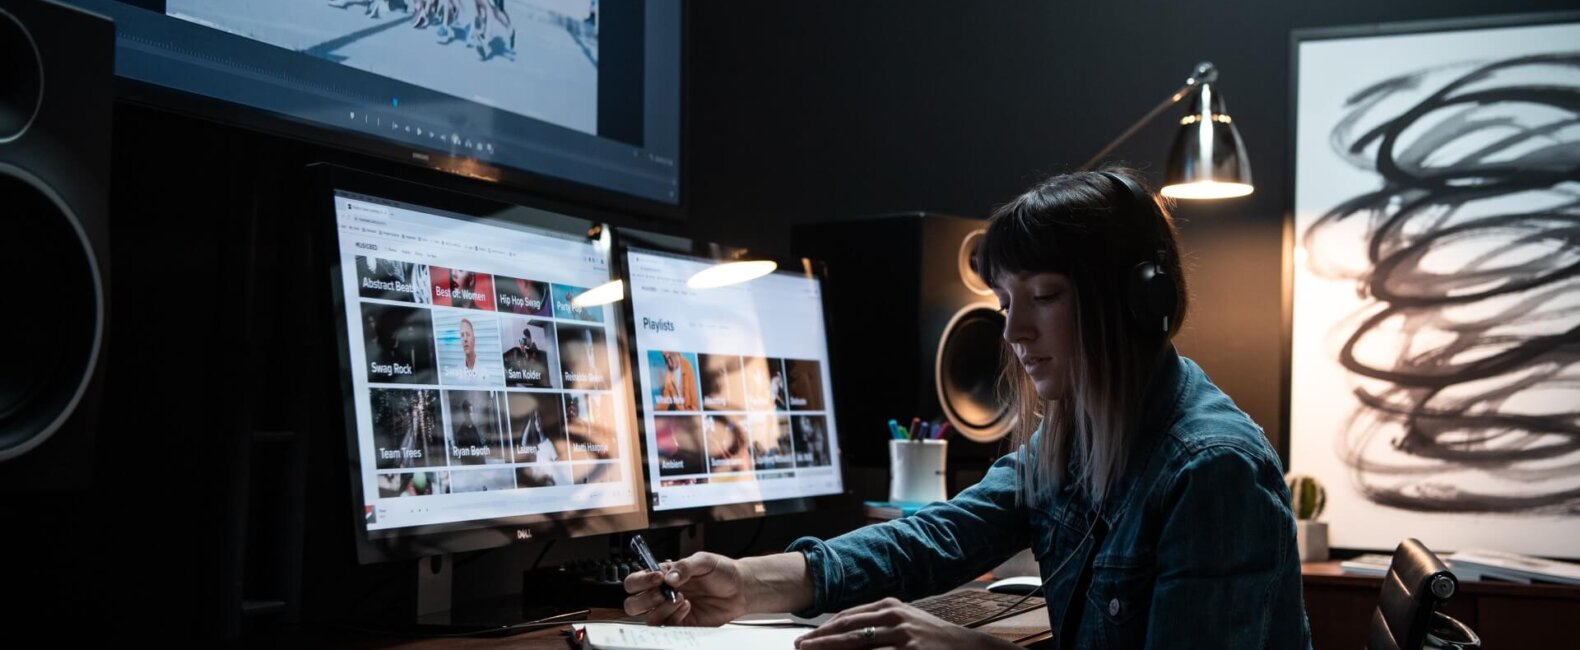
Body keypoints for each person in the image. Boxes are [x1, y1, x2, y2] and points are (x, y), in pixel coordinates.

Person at [623, 169, 1311, 648]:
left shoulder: (1211, 472)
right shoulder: (1078, 435)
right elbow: (940, 536)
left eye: (1043, 297)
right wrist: (746, 582)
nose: (1013, 334)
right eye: (1007, 304)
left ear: (1134, 302)